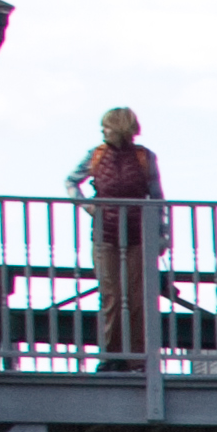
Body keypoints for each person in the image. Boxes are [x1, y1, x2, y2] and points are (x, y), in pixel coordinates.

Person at [66, 107, 163, 366]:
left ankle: (136, 358)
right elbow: (71, 181)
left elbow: (157, 198)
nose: (102, 130)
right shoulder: (96, 155)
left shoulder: (144, 157)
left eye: (107, 126)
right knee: (111, 295)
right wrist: (88, 207)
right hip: (105, 234)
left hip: (137, 233)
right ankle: (111, 354)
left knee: (135, 297)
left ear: (119, 127)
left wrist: (161, 236)